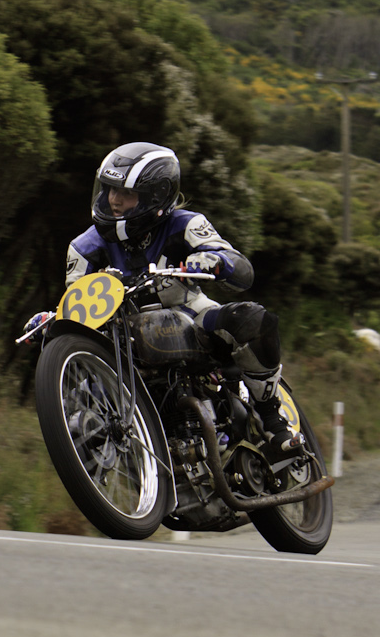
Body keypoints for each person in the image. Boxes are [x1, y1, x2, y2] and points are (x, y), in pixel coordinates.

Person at [48, 140, 300, 459]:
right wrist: (54, 319)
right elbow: (77, 300)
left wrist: (216, 260)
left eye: (126, 193)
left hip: (191, 314)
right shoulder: (83, 247)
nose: (113, 199)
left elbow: (240, 267)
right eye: (109, 189)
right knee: (77, 403)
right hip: (123, 338)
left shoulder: (187, 223)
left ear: (156, 196)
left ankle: (271, 417)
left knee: (250, 319)